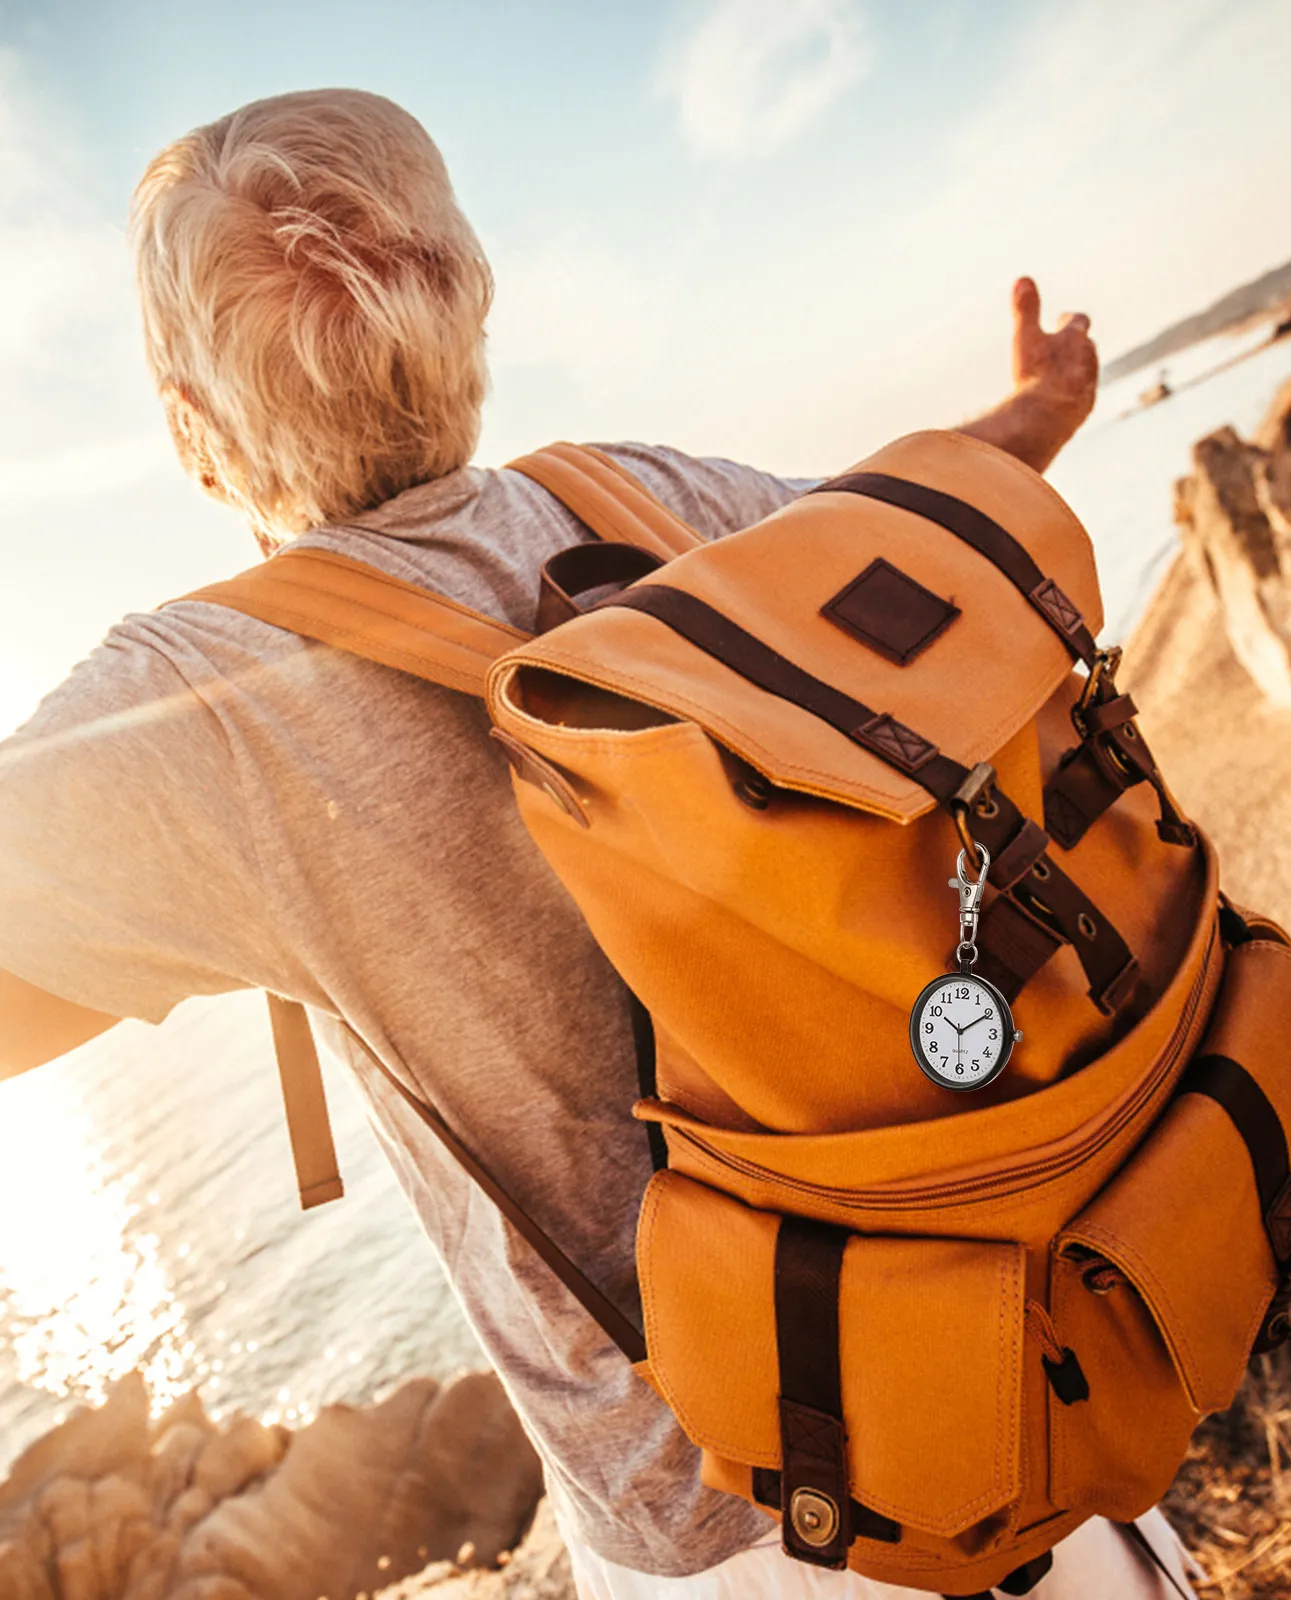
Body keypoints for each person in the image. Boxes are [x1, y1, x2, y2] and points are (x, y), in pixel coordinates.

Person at [0, 90, 1198, 1598]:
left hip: (735, 1530)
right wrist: (1039, 413)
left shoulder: (200, 711)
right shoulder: (638, 498)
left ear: (191, 429)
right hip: (1011, 1352)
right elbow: (886, 528)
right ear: (473, 295)